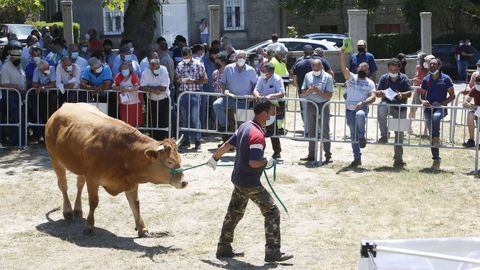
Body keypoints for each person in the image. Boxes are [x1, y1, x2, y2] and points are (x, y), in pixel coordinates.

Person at [207, 99, 293, 263]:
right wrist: (267, 161)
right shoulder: (257, 135)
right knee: (272, 211)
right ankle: (273, 252)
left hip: (238, 179)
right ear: (263, 114)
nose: (273, 114)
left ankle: (224, 247)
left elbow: (226, 145)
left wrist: (214, 158)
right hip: (250, 183)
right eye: (271, 111)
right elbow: (254, 162)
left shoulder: (244, 126)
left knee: (234, 213)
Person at [339, 47, 376, 167]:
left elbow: (373, 97)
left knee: (360, 115)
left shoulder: (370, 83)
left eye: (365, 69)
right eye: (361, 68)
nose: (363, 70)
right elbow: (343, 68)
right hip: (349, 110)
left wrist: (363, 103)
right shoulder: (351, 78)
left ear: (368, 71)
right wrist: (342, 55)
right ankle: (357, 157)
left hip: (362, 108)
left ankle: (362, 136)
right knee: (352, 134)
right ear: (357, 68)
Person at [213, 50, 258, 143]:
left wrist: (253, 93)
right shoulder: (228, 68)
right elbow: (222, 82)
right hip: (229, 97)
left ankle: (241, 143)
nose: (241, 59)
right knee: (217, 104)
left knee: (242, 125)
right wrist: (225, 89)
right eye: (239, 57)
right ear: (235, 58)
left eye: (243, 57)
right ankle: (224, 125)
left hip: (243, 100)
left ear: (246, 59)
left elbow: (255, 84)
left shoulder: (251, 70)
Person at [375, 58, 412, 168]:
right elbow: (377, 93)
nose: (393, 72)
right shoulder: (384, 77)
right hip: (387, 104)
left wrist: (402, 94)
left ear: (399, 69)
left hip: (400, 108)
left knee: (399, 134)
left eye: (395, 70)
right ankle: (384, 134)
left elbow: (409, 93)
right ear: (388, 68)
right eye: (391, 70)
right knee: (381, 108)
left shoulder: (404, 78)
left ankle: (398, 158)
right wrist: (380, 93)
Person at [420, 58, 455, 170]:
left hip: (440, 108)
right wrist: (423, 101)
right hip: (428, 109)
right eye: (430, 64)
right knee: (432, 134)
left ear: (439, 66)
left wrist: (440, 103)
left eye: (434, 64)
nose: (432, 66)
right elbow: (422, 96)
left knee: (435, 119)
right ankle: (436, 159)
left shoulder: (446, 78)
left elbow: (452, 96)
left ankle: (436, 138)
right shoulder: (426, 79)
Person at [300, 59, 334, 164]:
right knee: (311, 130)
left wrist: (318, 91)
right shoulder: (307, 76)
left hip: (323, 105)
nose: (316, 69)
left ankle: (328, 155)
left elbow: (329, 95)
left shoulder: (328, 77)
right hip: (311, 104)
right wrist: (308, 91)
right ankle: (311, 154)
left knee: (324, 130)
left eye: (318, 67)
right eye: (314, 67)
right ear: (311, 66)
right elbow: (302, 92)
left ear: (321, 67)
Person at [175, 46, 208, 150]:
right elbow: (176, 79)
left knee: (195, 117)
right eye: (184, 57)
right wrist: (180, 80)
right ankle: (186, 140)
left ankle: (198, 140)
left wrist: (193, 81)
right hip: (183, 93)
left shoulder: (198, 64)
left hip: (195, 93)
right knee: (184, 118)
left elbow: (205, 80)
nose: (185, 59)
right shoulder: (180, 65)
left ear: (190, 55)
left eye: (187, 56)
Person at [252, 62, 285, 159]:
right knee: (258, 125)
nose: (261, 72)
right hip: (264, 104)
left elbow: (281, 93)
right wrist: (256, 94)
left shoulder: (277, 79)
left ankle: (277, 151)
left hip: (277, 104)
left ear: (270, 73)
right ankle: (259, 149)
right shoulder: (261, 78)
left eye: (264, 71)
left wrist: (270, 96)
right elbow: (255, 89)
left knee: (272, 127)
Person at [1, 49, 27, 146]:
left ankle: (21, 141)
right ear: (11, 57)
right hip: (10, 96)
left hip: (20, 95)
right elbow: (3, 84)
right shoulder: (5, 68)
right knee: (17, 118)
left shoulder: (19, 66)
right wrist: (17, 87)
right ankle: (16, 141)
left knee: (20, 118)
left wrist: (24, 87)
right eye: (16, 57)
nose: (18, 59)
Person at [140, 58, 170, 140]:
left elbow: (163, 87)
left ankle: (164, 140)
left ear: (159, 65)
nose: (154, 69)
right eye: (152, 67)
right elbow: (142, 87)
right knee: (152, 122)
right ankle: (153, 140)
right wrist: (153, 90)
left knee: (164, 121)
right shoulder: (146, 72)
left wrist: (149, 88)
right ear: (150, 66)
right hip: (151, 100)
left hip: (164, 99)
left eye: (156, 67)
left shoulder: (164, 70)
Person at [31, 59, 56, 141]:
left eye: (47, 67)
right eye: (45, 69)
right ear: (40, 69)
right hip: (41, 95)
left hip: (51, 95)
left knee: (50, 113)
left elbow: (53, 84)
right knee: (41, 113)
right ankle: (42, 135)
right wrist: (42, 87)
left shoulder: (51, 69)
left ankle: (51, 135)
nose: (47, 70)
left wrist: (42, 87)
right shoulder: (36, 70)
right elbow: (34, 84)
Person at [112, 62, 143, 127]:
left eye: (126, 68)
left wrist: (129, 89)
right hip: (124, 102)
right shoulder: (118, 76)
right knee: (125, 121)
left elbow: (137, 87)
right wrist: (120, 88)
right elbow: (113, 86)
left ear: (129, 69)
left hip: (135, 102)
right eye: (122, 69)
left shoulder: (133, 75)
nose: (124, 70)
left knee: (135, 120)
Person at [409, 53, 432, 137]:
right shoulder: (418, 67)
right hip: (418, 91)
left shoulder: (431, 68)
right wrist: (415, 80)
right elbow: (418, 77)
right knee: (413, 109)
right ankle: (409, 127)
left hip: (428, 92)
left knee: (427, 111)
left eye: (418, 58)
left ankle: (426, 131)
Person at [463, 76, 480, 148]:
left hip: (478, 110)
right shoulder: (474, 89)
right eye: (477, 83)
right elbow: (465, 102)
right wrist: (472, 106)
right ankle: (471, 140)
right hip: (478, 111)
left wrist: (474, 106)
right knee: (470, 114)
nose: (478, 85)